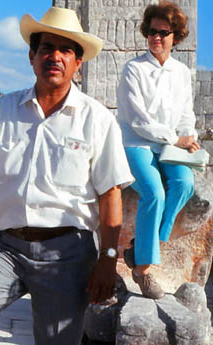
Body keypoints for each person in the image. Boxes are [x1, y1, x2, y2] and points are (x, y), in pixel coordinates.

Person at [0, 7, 134, 345]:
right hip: (6, 249)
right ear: (32, 57)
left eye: (65, 50)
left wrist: (108, 260)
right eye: (46, 49)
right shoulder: (2, 110)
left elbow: (110, 193)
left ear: (77, 63)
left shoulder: (97, 120)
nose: (54, 56)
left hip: (67, 253)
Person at [116, 0, 197, 300]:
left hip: (171, 146)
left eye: (163, 32)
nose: (156, 38)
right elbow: (138, 121)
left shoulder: (181, 73)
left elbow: (186, 113)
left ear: (175, 36)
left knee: (185, 183)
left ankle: (141, 247)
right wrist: (175, 139)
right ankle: (143, 270)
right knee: (154, 192)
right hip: (136, 143)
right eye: (152, 32)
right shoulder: (133, 69)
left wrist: (190, 136)